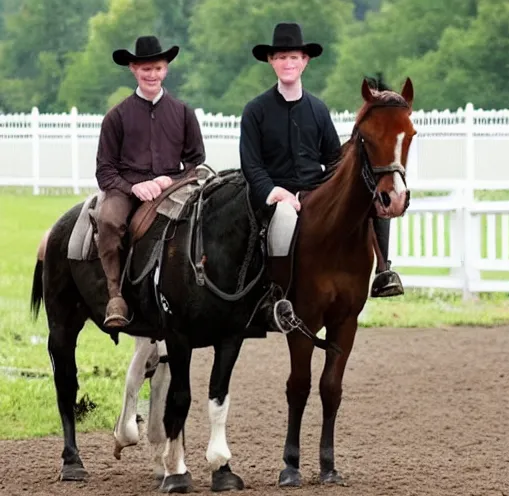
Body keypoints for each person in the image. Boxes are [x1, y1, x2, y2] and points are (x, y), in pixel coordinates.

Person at [239, 22, 404, 302]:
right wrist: (274, 192)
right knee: (284, 217)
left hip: (314, 189)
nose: (287, 63)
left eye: (293, 57)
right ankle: (275, 297)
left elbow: (332, 159)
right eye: (280, 57)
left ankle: (384, 271)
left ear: (305, 61)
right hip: (274, 193)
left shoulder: (317, 109)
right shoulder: (256, 110)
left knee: (371, 204)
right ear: (271, 61)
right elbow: (251, 165)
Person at [96, 35, 206, 328]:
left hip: (174, 186)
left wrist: (171, 180)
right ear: (133, 68)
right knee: (108, 220)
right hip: (127, 188)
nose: (152, 74)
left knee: (205, 219)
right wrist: (134, 187)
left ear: (166, 69)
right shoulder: (116, 116)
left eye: (157, 68)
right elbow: (104, 170)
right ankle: (115, 295)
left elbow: (196, 161)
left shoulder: (183, 112)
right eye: (146, 69)